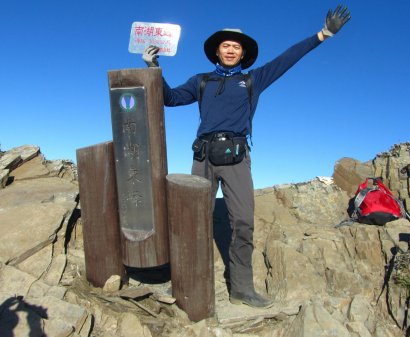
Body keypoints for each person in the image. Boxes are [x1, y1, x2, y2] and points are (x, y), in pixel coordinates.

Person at [142, 5, 351, 308]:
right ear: (217, 51)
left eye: (236, 47)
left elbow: (287, 59)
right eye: (225, 45)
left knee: (242, 221)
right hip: (203, 156)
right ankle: (184, 284)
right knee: (191, 220)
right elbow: (170, 99)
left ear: (242, 54)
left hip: (237, 157)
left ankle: (241, 288)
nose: (230, 50)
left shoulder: (253, 80)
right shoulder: (201, 81)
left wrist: (322, 35)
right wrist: (153, 68)